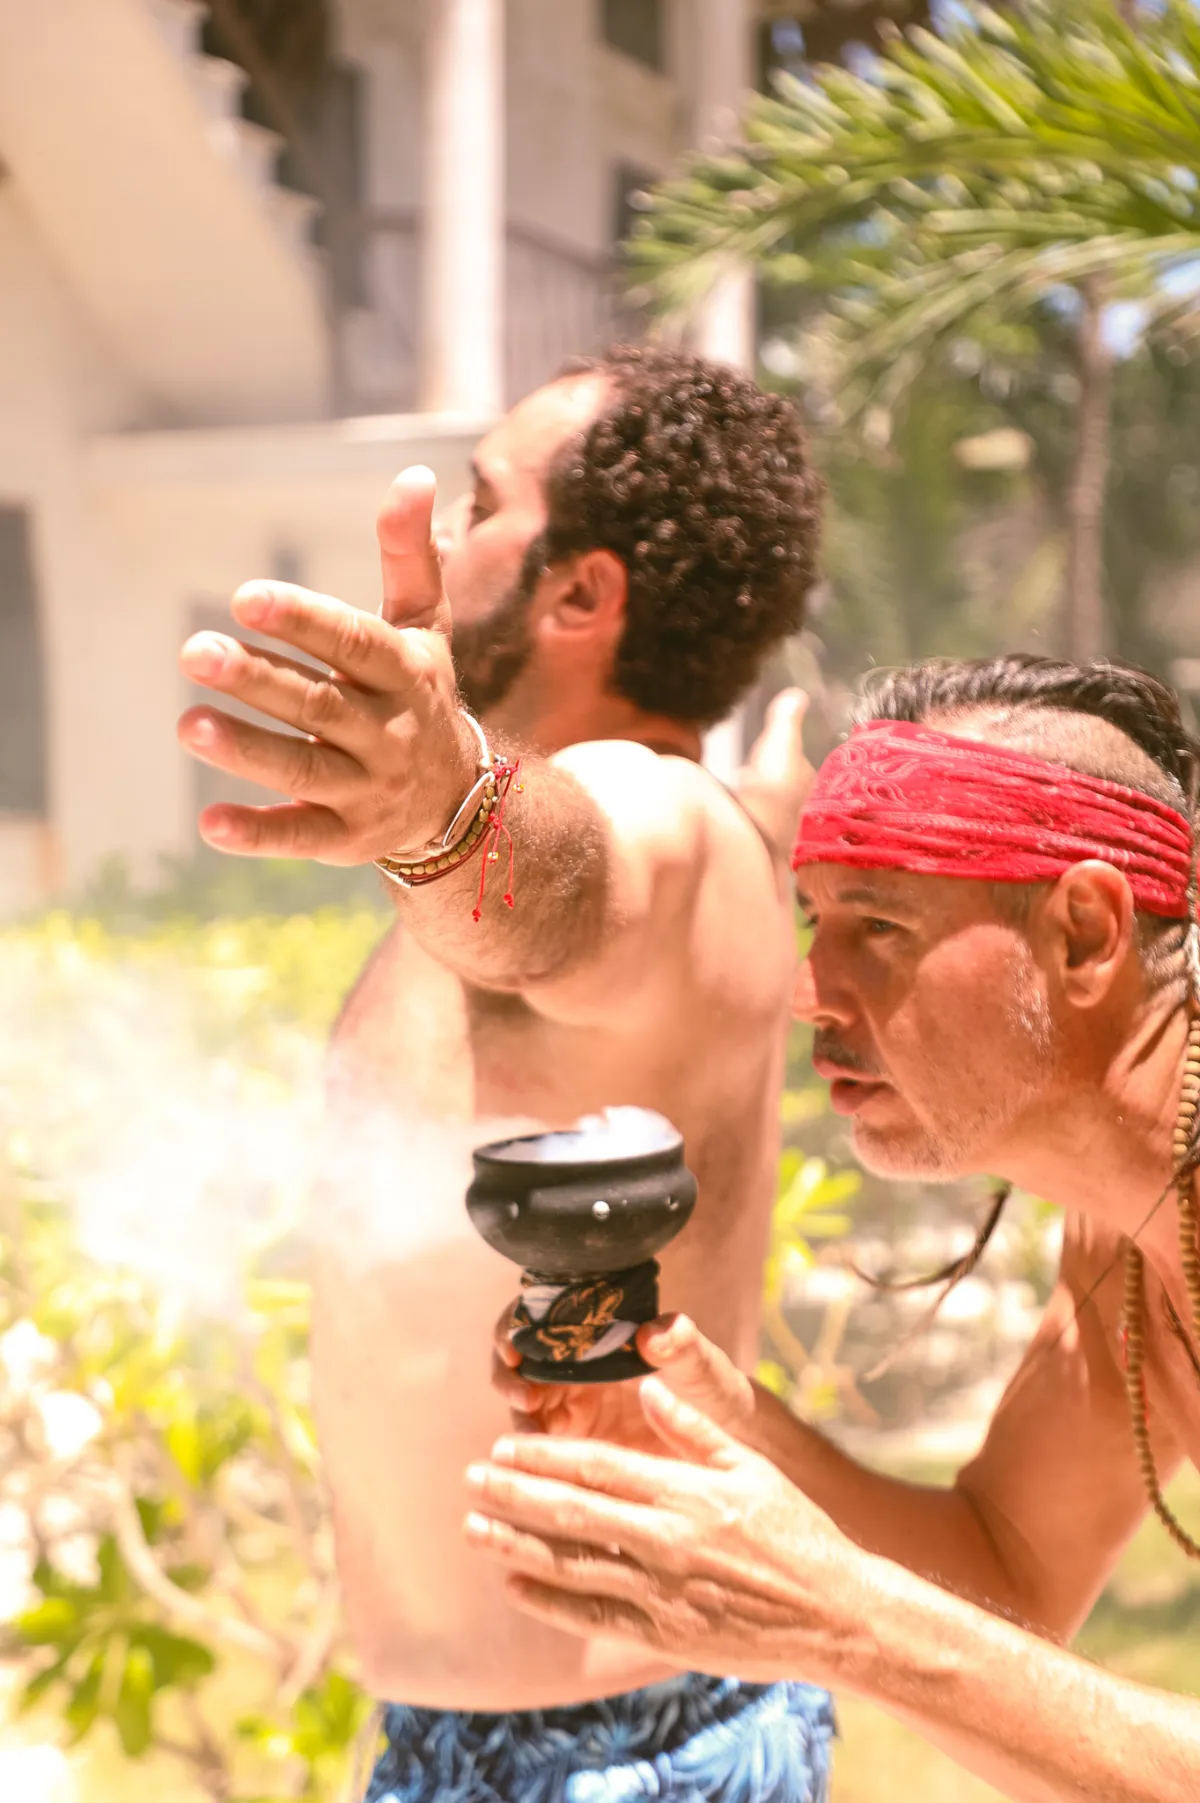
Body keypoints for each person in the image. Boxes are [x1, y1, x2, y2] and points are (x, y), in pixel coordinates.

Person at [176, 347, 836, 1803]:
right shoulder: (707, 826)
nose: (442, 537)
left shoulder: (652, 817)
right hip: (518, 1743)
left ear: (582, 593)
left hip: (617, 1754)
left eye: (482, 506)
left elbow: (558, 883)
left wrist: (443, 813)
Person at [467, 653, 1200, 1803]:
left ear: (1086, 935)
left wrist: (840, 1620)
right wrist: (722, 1428)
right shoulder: (1123, 1246)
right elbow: (1005, 1565)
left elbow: (917, 1618)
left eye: (880, 924)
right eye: (815, 921)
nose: (812, 988)